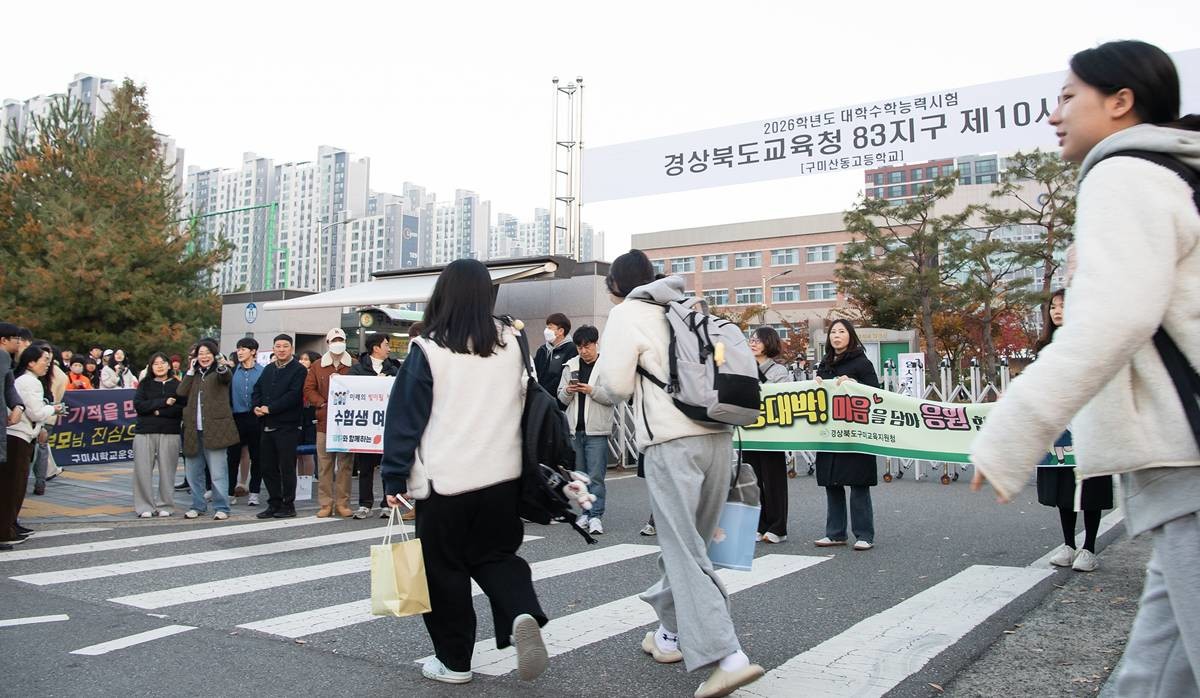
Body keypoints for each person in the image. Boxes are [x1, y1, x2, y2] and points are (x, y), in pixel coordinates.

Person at [970, 41, 1199, 697]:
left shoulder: (1125, 173)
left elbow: (1111, 317)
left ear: (1121, 101)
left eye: (1069, 96)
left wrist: (1014, 430)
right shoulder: (1177, 174)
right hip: (1184, 462)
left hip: (1190, 455)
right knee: (1156, 669)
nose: (1054, 114)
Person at [590, 250, 765, 696]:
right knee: (691, 545)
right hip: (718, 435)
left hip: (672, 442)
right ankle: (669, 636)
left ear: (615, 286)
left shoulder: (627, 313)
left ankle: (729, 655)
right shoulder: (686, 305)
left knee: (685, 551)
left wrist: (599, 389)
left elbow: (617, 384)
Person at [381, 259, 549, 686]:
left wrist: (394, 477)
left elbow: (405, 419)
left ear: (443, 293)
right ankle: (521, 611)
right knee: (496, 556)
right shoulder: (512, 343)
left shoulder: (428, 348)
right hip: (502, 476)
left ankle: (454, 662)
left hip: (446, 481)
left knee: (445, 570)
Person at [1032, 290, 1113, 572]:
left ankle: (1089, 547)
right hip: (1057, 428)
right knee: (1063, 486)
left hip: (1088, 426)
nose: (1057, 311)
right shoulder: (1044, 346)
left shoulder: (1091, 344)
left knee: (1090, 487)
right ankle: (1068, 544)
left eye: (1063, 306)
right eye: (1053, 307)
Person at [812, 319, 880, 551]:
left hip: (855, 432)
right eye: (833, 332)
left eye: (841, 331)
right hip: (830, 431)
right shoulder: (825, 362)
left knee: (858, 483)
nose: (836, 336)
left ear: (850, 336)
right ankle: (835, 533)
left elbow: (877, 393)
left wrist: (854, 384)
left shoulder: (862, 362)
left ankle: (864, 534)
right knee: (832, 483)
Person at [557, 324, 614, 535]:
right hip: (575, 429)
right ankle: (584, 514)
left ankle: (596, 515)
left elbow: (613, 396)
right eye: (580, 347)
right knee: (579, 477)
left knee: (596, 476)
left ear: (595, 343)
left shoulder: (607, 366)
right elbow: (560, 398)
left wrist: (591, 390)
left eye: (587, 346)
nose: (583, 351)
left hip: (597, 430)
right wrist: (569, 391)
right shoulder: (570, 366)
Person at [4, 345, 64, 544]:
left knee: (18, 485)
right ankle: (6, 528)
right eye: (44, 360)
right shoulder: (29, 382)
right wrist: (53, 409)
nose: (47, 364)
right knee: (14, 485)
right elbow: (35, 413)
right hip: (18, 437)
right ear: (31, 362)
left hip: (22, 436)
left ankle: (12, 524)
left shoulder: (28, 380)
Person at [177, 339, 237, 520]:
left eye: (207, 353)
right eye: (200, 354)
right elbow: (181, 392)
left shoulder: (219, 372)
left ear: (214, 355)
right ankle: (197, 505)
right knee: (193, 472)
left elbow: (226, 376)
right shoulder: (193, 375)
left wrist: (220, 363)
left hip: (216, 429)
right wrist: (189, 371)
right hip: (193, 431)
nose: (203, 357)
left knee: (218, 473)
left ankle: (222, 507)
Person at [350, 332, 402, 520]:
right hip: (366, 427)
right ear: (376, 347)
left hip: (386, 425)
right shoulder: (357, 369)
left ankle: (386, 504)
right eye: (386, 344)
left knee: (386, 467)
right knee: (365, 467)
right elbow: (350, 389)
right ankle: (364, 504)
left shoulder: (393, 368)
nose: (388, 348)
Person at [254, 334, 306, 519]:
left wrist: (271, 408)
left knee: (286, 467)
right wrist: (257, 406)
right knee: (267, 467)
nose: (281, 349)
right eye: (278, 346)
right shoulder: (268, 369)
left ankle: (288, 504)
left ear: (291, 348)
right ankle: (273, 503)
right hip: (266, 425)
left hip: (287, 426)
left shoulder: (299, 370)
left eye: (285, 346)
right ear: (273, 349)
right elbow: (258, 389)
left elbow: (293, 395)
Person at [747, 326, 791, 544]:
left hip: (772, 433)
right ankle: (759, 524)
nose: (753, 343)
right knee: (752, 480)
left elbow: (781, 397)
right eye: (751, 339)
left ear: (769, 343)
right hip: (749, 431)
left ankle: (778, 526)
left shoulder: (778, 371)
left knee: (773, 481)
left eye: (758, 340)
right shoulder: (744, 366)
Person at [304, 328, 355, 518]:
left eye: (341, 339)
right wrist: (321, 403)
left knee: (345, 465)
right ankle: (325, 504)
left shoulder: (353, 364)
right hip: (324, 422)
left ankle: (343, 502)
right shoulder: (318, 365)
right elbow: (309, 388)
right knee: (324, 464)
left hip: (348, 422)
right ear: (328, 343)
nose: (338, 342)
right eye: (334, 340)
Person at [132, 353, 185, 518]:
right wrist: (163, 403)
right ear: (150, 367)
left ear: (169, 365)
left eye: (163, 363)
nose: (160, 366)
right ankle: (144, 506)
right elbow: (139, 406)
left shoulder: (177, 384)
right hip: (144, 432)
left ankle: (166, 505)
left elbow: (181, 408)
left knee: (168, 471)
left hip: (170, 432)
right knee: (142, 470)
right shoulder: (145, 384)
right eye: (155, 364)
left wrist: (155, 411)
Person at [226, 337, 264, 506]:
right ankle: (229, 492)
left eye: (243, 349)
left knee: (258, 457)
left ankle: (254, 492)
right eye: (238, 349)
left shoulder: (263, 371)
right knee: (232, 457)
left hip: (256, 417)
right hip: (236, 418)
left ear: (253, 351)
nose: (239, 352)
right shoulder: (232, 372)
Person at [533, 312, 577, 401]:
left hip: (558, 402)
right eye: (546, 327)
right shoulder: (542, 350)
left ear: (561, 331)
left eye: (550, 327)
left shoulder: (571, 349)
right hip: (540, 400)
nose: (546, 330)